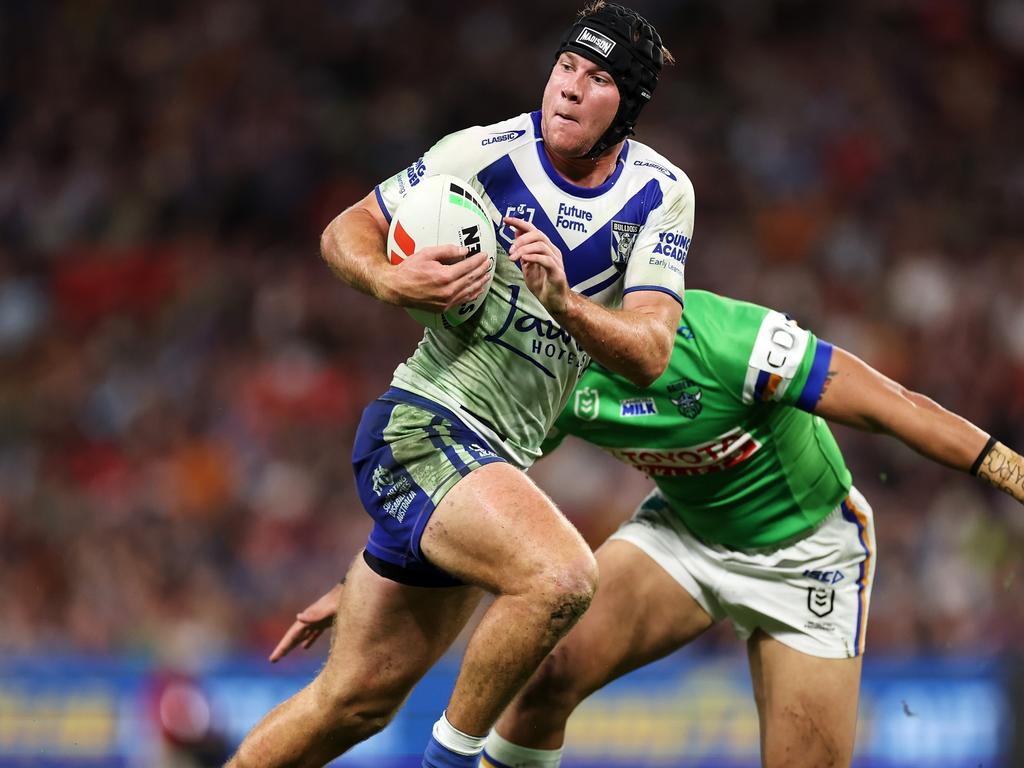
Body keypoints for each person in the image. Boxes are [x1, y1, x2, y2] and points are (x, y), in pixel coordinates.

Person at [270, 290, 1024, 768]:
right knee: (542, 675)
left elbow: (895, 406)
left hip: (810, 562)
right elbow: (467, 490)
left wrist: (1007, 467)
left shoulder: (731, 339)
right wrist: (367, 573)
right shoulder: (557, 373)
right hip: (683, 538)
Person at [227, 4, 692, 767]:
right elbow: (345, 229)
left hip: (485, 475)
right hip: (421, 426)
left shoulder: (660, 195)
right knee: (563, 578)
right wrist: (386, 276)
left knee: (352, 704)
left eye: (599, 78)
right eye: (567, 66)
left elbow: (648, 353)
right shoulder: (478, 154)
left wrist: (564, 301)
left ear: (628, 107)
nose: (571, 88)